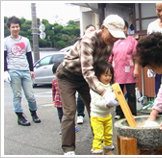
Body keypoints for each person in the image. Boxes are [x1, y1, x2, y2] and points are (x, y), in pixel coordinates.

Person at [56, 14, 125, 155]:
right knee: (70, 112)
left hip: (86, 79)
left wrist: (111, 89)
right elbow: (87, 70)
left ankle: (99, 143)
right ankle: (68, 148)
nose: (114, 39)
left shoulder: (110, 44)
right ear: (103, 28)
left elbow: (101, 69)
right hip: (67, 76)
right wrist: (104, 93)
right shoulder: (89, 39)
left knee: (93, 108)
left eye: (117, 36)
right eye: (112, 35)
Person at [4, 16, 41, 126]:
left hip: (25, 70)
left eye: (17, 26)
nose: (15, 29)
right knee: (17, 95)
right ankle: (20, 116)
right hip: (13, 70)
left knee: (30, 95)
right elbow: (3, 57)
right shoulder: (5, 41)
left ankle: (34, 113)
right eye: (13, 27)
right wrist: (5, 71)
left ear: (19, 27)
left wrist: (31, 70)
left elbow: (29, 56)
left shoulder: (25, 40)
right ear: (9, 28)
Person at [109, 20, 139, 119]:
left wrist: (136, 69)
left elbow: (136, 56)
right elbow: (110, 58)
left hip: (130, 71)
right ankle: (119, 113)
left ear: (127, 29)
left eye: (124, 28)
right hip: (117, 71)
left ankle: (132, 113)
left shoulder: (132, 40)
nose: (122, 30)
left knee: (131, 94)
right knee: (118, 94)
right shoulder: (113, 42)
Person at [90, 61, 116, 155]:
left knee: (109, 134)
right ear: (98, 75)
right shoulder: (95, 87)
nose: (108, 77)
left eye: (110, 75)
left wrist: (116, 98)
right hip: (97, 117)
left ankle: (107, 150)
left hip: (107, 116)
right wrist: (107, 104)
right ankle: (97, 152)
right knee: (98, 136)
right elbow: (96, 102)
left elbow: (113, 96)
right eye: (105, 75)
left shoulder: (110, 86)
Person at [76, 24, 96, 124]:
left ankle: (93, 115)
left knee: (90, 95)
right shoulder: (79, 42)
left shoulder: (94, 43)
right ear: (85, 30)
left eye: (94, 30)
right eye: (90, 30)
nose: (92, 32)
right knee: (80, 96)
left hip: (90, 72)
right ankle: (80, 114)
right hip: (80, 73)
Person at [52, 62, 78, 134]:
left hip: (66, 102)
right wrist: (54, 100)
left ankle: (73, 126)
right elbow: (53, 91)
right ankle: (63, 128)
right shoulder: (54, 81)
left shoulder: (68, 80)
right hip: (58, 102)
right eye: (55, 72)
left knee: (69, 115)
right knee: (61, 116)